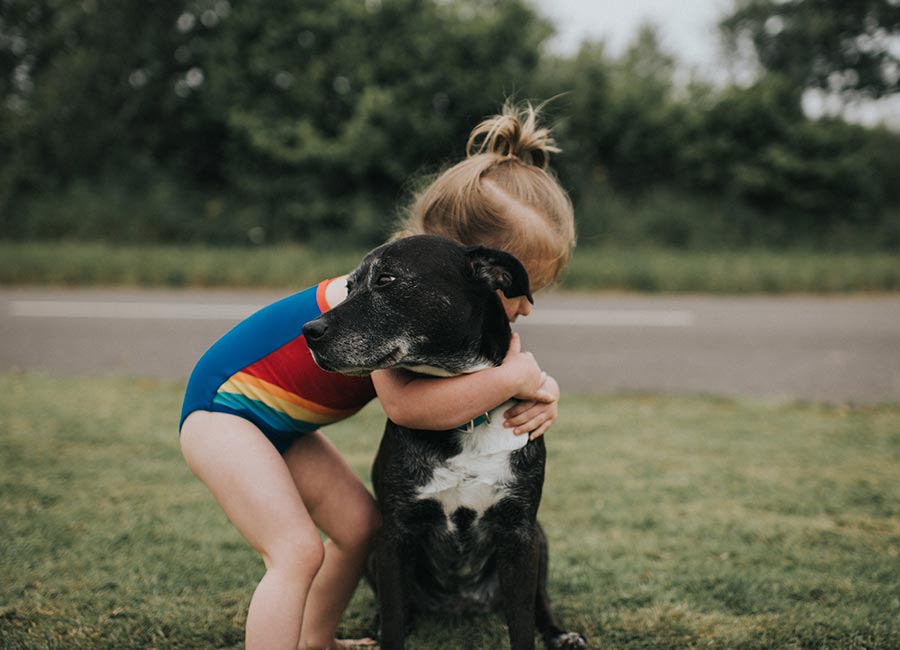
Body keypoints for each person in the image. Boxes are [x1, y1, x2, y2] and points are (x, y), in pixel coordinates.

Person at [178, 101, 576, 650]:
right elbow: (408, 407)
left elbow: (511, 371)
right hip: (223, 414)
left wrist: (542, 391)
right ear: (464, 265)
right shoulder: (373, 300)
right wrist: (519, 380)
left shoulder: (439, 308)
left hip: (280, 425)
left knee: (361, 528)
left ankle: (317, 640)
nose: (526, 307)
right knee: (296, 550)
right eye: (519, 288)